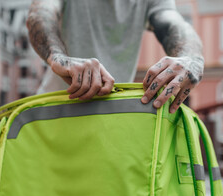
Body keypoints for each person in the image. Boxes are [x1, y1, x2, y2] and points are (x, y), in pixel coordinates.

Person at [26, 0, 204, 114]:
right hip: (53, 113)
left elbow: (173, 24)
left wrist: (191, 58)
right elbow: (41, 12)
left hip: (111, 117)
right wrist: (58, 58)